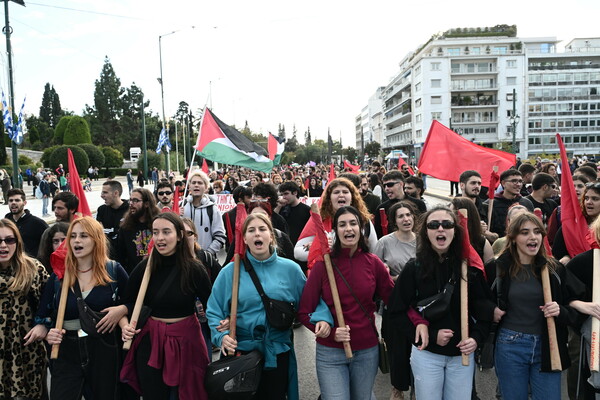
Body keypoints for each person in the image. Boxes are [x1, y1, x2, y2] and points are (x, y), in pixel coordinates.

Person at [208, 213, 331, 400]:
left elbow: (310, 302)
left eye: (262, 229)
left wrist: (322, 318)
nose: (257, 234)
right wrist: (221, 337)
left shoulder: (291, 269)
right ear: (245, 239)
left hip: (277, 352)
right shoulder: (230, 272)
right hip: (240, 353)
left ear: (271, 236)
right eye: (251, 230)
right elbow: (214, 310)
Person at [388, 206, 491, 400]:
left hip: (461, 355)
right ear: (426, 232)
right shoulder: (414, 268)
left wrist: (476, 339)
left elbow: (485, 311)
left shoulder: (469, 268)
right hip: (427, 355)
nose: (440, 229)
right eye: (434, 225)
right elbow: (396, 312)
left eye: (447, 224)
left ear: (455, 230)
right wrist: (427, 335)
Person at [299, 206, 395, 400]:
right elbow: (304, 312)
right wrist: (328, 331)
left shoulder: (374, 263)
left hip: (367, 351)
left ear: (361, 229)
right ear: (335, 231)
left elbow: (394, 302)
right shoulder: (322, 266)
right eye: (342, 224)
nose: (348, 228)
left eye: (353, 223)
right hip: (330, 352)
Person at [34, 217, 129, 400]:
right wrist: (46, 331)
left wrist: (121, 310)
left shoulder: (113, 270)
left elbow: (132, 302)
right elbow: (42, 316)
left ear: (96, 240)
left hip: (103, 348)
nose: (76, 240)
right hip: (66, 350)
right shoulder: (59, 276)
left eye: (84, 236)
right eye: (73, 236)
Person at [491, 212, 583, 400]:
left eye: (537, 232)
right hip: (510, 346)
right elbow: (478, 300)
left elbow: (576, 304)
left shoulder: (554, 269)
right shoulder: (497, 267)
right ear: (514, 238)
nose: (532, 237)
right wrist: (490, 310)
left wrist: (561, 311)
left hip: (548, 346)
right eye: (524, 232)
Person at [121, 213, 213, 400]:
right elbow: (127, 303)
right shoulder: (145, 267)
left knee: (188, 394)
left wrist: (222, 330)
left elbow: (211, 305)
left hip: (187, 341)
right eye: (155, 232)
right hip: (151, 341)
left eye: (166, 232)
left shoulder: (195, 269)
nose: (160, 238)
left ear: (179, 235)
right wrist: (125, 326)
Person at [0, 219, 49, 400]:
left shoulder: (33, 270)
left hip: (28, 352)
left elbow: (53, 303)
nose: (3, 245)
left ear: (17, 242)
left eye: (9, 240)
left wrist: (44, 325)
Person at [373, 201, 418, 399]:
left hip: (419, 308)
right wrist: (395, 279)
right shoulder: (384, 242)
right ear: (394, 221)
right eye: (400, 216)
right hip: (395, 306)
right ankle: (397, 390)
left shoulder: (424, 241)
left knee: (419, 352)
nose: (406, 219)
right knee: (398, 354)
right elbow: (374, 275)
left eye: (408, 215)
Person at [294, 177, 378, 263]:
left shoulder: (364, 221)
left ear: (352, 197)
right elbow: (297, 253)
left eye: (345, 192)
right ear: (329, 199)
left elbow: (375, 251)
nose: (341, 195)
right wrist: (318, 247)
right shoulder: (319, 220)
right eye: (336, 192)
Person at [183, 170, 227, 255]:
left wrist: (207, 254)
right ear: (189, 186)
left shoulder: (213, 209)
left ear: (206, 187)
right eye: (194, 182)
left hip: (205, 260)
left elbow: (220, 236)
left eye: (200, 183)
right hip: (184, 258)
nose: (196, 185)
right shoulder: (181, 207)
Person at [116, 188, 160, 273]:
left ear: (146, 204)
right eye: (130, 200)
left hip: (156, 274)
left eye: (135, 200)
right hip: (134, 276)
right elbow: (120, 256)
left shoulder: (158, 225)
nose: (131, 204)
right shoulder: (125, 227)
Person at [374, 170, 427, 238]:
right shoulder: (381, 208)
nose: (386, 188)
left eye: (390, 185)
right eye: (384, 185)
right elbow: (378, 234)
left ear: (401, 184)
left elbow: (424, 229)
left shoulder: (419, 204)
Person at [482, 169, 534, 237]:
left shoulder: (527, 203)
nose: (518, 184)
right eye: (514, 181)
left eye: (520, 181)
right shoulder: (489, 204)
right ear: (503, 183)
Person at [5, 188, 49, 257]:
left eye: (17, 200)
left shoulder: (38, 223)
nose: (13, 202)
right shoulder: (5, 223)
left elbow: (49, 244)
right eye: (10, 200)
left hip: (30, 265)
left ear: (24, 203)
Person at [451, 197, 494, 263]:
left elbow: (490, 271)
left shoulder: (483, 244)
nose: (450, 217)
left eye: (454, 213)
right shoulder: (448, 239)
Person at [97, 180, 129, 259]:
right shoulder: (102, 210)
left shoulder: (130, 209)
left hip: (127, 257)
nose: (102, 196)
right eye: (102, 192)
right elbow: (99, 232)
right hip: (108, 257)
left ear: (116, 193)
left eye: (105, 192)